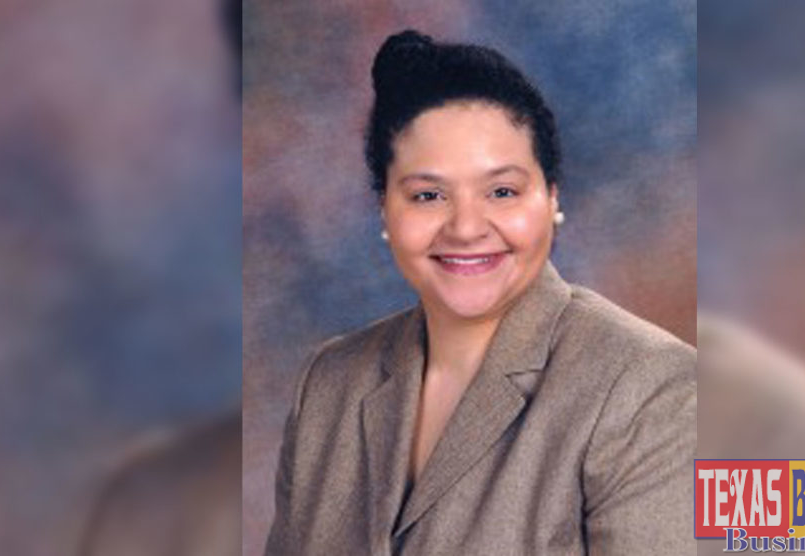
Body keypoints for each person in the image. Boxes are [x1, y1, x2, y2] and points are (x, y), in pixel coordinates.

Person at [265, 30, 696, 555]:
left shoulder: (649, 389)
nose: (466, 228)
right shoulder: (329, 385)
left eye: (502, 191)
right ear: (385, 211)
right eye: (428, 195)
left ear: (552, 199)